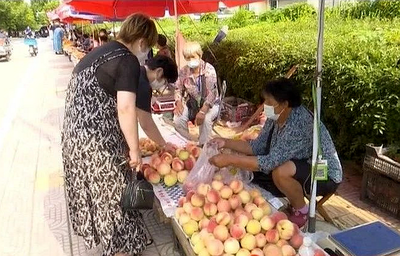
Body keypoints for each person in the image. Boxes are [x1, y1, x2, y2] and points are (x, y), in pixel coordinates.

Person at [61, 13, 158, 256]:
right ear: (142, 42)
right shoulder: (126, 60)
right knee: (115, 201)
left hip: (76, 140)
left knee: (105, 199)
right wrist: (135, 150)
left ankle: (123, 246)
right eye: (148, 47)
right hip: (96, 144)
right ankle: (121, 250)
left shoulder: (101, 52)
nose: (146, 53)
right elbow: (125, 108)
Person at [209, 78, 342, 228]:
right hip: (303, 163)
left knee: (280, 172)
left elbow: (269, 162)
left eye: (269, 102)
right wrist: (225, 142)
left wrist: (229, 159)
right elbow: (257, 146)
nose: (264, 106)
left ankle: (302, 211)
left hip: (324, 173)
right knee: (259, 169)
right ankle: (292, 202)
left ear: (284, 104)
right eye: (264, 101)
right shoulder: (277, 116)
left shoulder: (298, 124)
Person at [173, 41, 219, 146]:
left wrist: (203, 111)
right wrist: (178, 102)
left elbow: (212, 93)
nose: (190, 61)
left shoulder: (209, 69)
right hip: (193, 104)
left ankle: (204, 146)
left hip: (210, 104)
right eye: (187, 58)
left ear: (199, 55)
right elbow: (177, 88)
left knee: (206, 119)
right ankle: (186, 143)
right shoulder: (184, 71)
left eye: (193, 57)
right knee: (178, 118)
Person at [137, 55, 178, 146]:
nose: (164, 85)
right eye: (165, 81)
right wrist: (164, 144)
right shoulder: (143, 85)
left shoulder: (137, 71)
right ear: (159, 72)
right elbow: (146, 123)